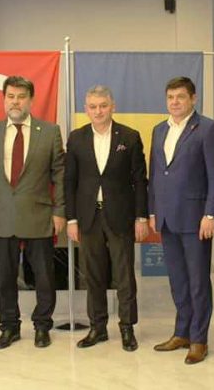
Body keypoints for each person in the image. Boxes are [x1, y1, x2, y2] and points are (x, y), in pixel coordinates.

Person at [0, 75, 65, 350]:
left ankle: (42, 326)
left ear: (31, 100)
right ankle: (9, 327)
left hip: (39, 215)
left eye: (21, 97)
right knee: (4, 277)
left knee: (43, 276)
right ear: (4, 100)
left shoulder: (49, 132)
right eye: (11, 96)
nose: (16, 102)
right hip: (0, 215)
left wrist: (60, 211)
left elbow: (59, 175)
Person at [64, 85, 149, 352]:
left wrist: (141, 217)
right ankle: (97, 328)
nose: (98, 111)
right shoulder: (76, 138)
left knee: (124, 276)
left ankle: (127, 328)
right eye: (93, 106)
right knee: (93, 276)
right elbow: (69, 182)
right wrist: (71, 219)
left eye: (103, 105)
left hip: (120, 216)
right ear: (86, 109)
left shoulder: (130, 136)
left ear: (113, 106)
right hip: (88, 217)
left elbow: (140, 181)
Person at [148, 76, 214, 365]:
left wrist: (211, 214)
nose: (175, 102)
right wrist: (153, 211)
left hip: (196, 219)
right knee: (178, 280)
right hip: (167, 218)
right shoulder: (159, 130)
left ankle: (198, 339)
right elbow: (155, 174)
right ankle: (181, 332)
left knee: (197, 282)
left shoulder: (208, 129)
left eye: (180, 97)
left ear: (193, 98)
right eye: (170, 97)